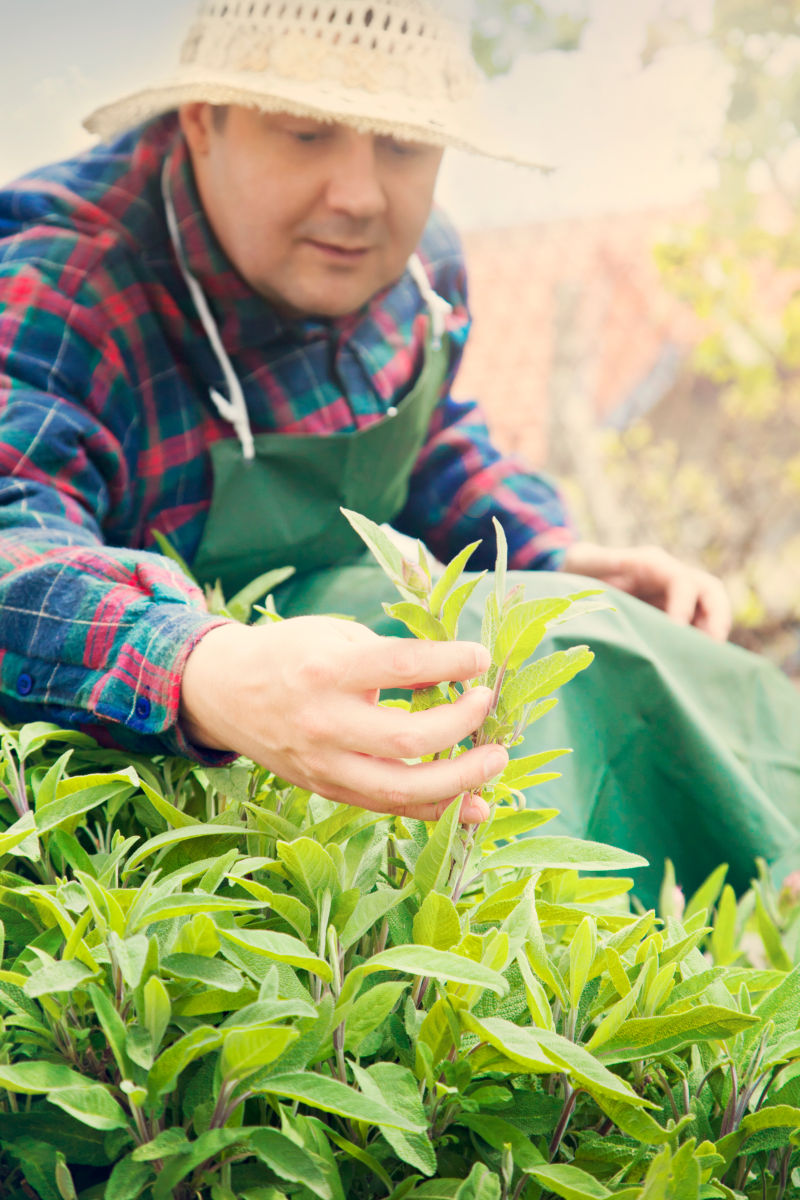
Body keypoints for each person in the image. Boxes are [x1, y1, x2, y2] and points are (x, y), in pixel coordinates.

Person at [0, 0, 798, 905]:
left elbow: (429, 438)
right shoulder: (60, 284)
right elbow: (14, 551)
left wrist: (549, 553)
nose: (359, 195)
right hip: (131, 735)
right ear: (203, 121)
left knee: (593, 637)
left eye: (404, 146)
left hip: (338, 639)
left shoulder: (412, 266)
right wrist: (204, 671)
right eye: (304, 134)